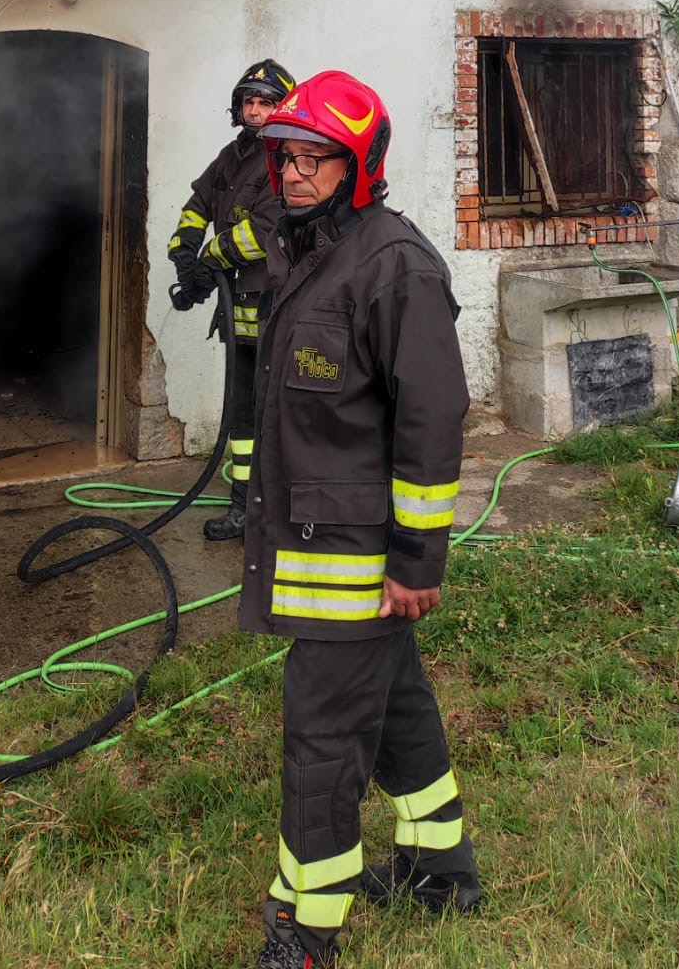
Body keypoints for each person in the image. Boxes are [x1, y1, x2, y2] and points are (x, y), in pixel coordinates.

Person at [241, 69, 482, 969]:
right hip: (316, 548)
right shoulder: (307, 248)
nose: (296, 174)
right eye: (287, 157)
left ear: (359, 165)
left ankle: (305, 932)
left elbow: (431, 422)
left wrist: (417, 562)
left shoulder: (394, 266)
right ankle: (440, 869)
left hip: (357, 562)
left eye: (316, 160)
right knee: (401, 709)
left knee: (322, 744)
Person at [167, 59, 295, 541]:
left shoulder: (290, 158)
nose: (256, 110)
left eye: (266, 101)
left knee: (278, 411)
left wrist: (209, 262)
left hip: (275, 310)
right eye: (249, 101)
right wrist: (183, 251)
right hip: (237, 314)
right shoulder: (230, 156)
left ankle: (283, 507)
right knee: (241, 415)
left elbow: (265, 229)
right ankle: (244, 509)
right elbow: (198, 204)